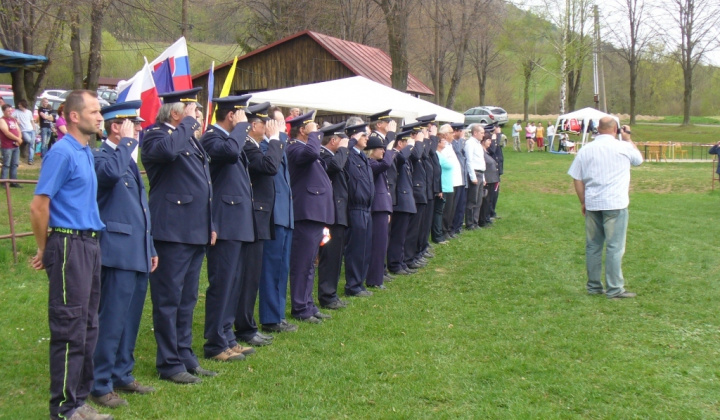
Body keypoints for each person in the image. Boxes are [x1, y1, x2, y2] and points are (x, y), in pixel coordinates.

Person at [29, 90, 110, 420]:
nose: (100, 116)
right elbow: (38, 206)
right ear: (74, 116)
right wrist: (44, 247)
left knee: (89, 325)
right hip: (69, 246)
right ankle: (63, 409)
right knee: (69, 326)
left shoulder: (86, 152)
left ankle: (79, 400)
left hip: (90, 245)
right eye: (93, 111)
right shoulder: (61, 153)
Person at [141, 87, 217, 384]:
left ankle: (185, 356)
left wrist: (209, 223)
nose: (198, 117)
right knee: (168, 300)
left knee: (187, 300)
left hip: (194, 230)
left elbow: (204, 186)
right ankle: (169, 364)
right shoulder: (156, 135)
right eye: (194, 111)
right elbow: (169, 152)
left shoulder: (188, 138)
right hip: (172, 232)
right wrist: (186, 124)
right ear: (176, 113)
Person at [90, 101, 158, 409]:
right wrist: (127, 143)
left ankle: (122, 372)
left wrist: (151, 247)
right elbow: (108, 177)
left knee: (130, 319)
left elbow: (139, 210)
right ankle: (100, 381)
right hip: (115, 252)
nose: (139, 129)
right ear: (116, 126)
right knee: (112, 319)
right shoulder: (102, 157)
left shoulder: (124, 158)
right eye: (134, 125)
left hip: (136, 251)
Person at [200, 95, 257, 362]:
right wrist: (244, 129)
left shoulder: (228, 138)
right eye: (242, 115)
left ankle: (227, 336)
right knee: (222, 283)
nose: (246, 120)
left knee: (234, 282)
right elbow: (231, 153)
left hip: (238, 221)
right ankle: (215, 342)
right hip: (224, 220)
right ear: (231, 115)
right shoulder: (213, 137)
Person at [568, 118, 643, 299]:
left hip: (594, 203)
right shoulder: (623, 147)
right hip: (616, 203)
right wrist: (627, 138)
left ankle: (594, 286)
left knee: (593, 246)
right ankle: (614, 288)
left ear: (598, 129)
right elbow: (639, 160)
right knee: (614, 247)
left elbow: (577, 178)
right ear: (616, 129)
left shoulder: (586, 149)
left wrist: (583, 201)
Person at [286, 110, 335, 322]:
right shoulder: (295, 148)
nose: (316, 129)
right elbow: (313, 154)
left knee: (309, 264)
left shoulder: (306, 149)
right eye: (311, 126)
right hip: (304, 213)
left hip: (314, 213)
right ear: (302, 129)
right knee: (302, 263)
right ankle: (299, 306)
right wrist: (314, 136)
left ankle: (308, 304)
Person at [246, 103, 287, 343]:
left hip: (270, 213)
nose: (273, 127)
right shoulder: (254, 146)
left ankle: (252, 324)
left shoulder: (263, 145)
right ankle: (249, 325)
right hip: (256, 213)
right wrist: (275, 138)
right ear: (255, 125)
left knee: (270, 271)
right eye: (268, 123)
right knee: (253, 275)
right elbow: (270, 167)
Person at [317, 122, 350, 309]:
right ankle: (326, 295)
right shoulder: (324, 155)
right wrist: (343, 150)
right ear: (334, 140)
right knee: (329, 256)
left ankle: (332, 293)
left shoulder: (332, 155)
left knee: (336, 255)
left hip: (339, 211)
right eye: (342, 140)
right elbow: (335, 167)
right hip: (331, 212)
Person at [344, 120, 375, 296]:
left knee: (365, 248)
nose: (367, 138)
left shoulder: (362, 155)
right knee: (355, 249)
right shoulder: (349, 153)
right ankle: (353, 285)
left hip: (366, 207)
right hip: (355, 207)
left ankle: (359, 283)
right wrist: (351, 140)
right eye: (363, 134)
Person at [365, 130, 397, 289]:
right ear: (372, 150)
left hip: (382, 206)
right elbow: (386, 164)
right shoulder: (370, 163)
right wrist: (390, 146)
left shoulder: (374, 163)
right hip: (377, 208)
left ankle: (378, 276)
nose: (384, 151)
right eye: (381, 149)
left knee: (382, 243)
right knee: (378, 244)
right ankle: (374, 279)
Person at [387, 129, 417, 275]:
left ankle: (400, 261)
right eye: (407, 142)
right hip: (400, 200)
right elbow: (401, 159)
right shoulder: (395, 155)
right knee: (397, 235)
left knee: (402, 234)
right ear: (400, 143)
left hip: (406, 199)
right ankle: (394, 263)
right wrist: (411, 146)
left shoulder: (401, 156)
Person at [438, 124, 460, 240]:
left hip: (454, 181)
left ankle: (448, 229)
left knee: (451, 209)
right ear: (446, 135)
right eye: (451, 133)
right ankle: (443, 230)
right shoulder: (443, 148)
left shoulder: (450, 146)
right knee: (446, 210)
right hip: (447, 182)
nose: (454, 134)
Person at [431, 132, 453, 244]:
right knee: (438, 212)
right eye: (443, 140)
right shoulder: (437, 154)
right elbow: (437, 172)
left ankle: (438, 234)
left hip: (445, 186)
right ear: (438, 143)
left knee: (440, 211)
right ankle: (437, 236)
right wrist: (439, 188)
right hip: (442, 187)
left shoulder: (440, 153)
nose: (445, 142)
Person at [464, 124, 486, 230]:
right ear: (475, 133)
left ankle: (475, 222)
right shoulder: (470, 143)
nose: (483, 135)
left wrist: (484, 178)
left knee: (479, 199)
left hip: (481, 173)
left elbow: (481, 161)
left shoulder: (478, 144)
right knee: (472, 199)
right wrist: (473, 176)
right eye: (481, 133)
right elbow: (469, 160)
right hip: (475, 173)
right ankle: (469, 223)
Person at [450, 123, 468, 236]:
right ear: (456, 131)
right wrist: (462, 140)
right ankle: (452, 227)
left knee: (461, 204)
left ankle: (458, 226)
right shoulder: (453, 144)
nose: (463, 133)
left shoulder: (460, 142)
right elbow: (458, 152)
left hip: (462, 177)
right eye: (461, 131)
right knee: (455, 205)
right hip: (456, 178)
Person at [0, 104, 23, 188]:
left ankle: (13, 182)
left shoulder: (13, 120)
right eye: (8, 111)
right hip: (7, 146)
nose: (10, 112)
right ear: (3, 111)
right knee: (6, 164)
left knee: (15, 164)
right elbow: (6, 132)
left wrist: (19, 139)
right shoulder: (2, 120)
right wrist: (17, 139)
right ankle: (4, 182)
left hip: (16, 145)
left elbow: (18, 130)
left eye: (11, 110)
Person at [479, 132, 499, 228]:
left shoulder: (486, 151)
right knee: (485, 201)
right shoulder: (481, 152)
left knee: (489, 200)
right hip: (487, 179)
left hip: (491, 179)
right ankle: (482, 220)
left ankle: (486, 218)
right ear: (483, 141)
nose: (490, 142)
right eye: (488, 140)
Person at [14, 99, 36, 165]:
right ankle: (24, 142)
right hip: (23, 130)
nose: (18, 105)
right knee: (29, 140)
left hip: (31, 129)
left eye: (20, 104)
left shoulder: (29, 112)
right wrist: (16, 119)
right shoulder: (16, 112)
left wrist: (34, 127)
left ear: (23, 105)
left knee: (32, 145)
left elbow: (32, 120)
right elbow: (11, 117)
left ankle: (30, 159)